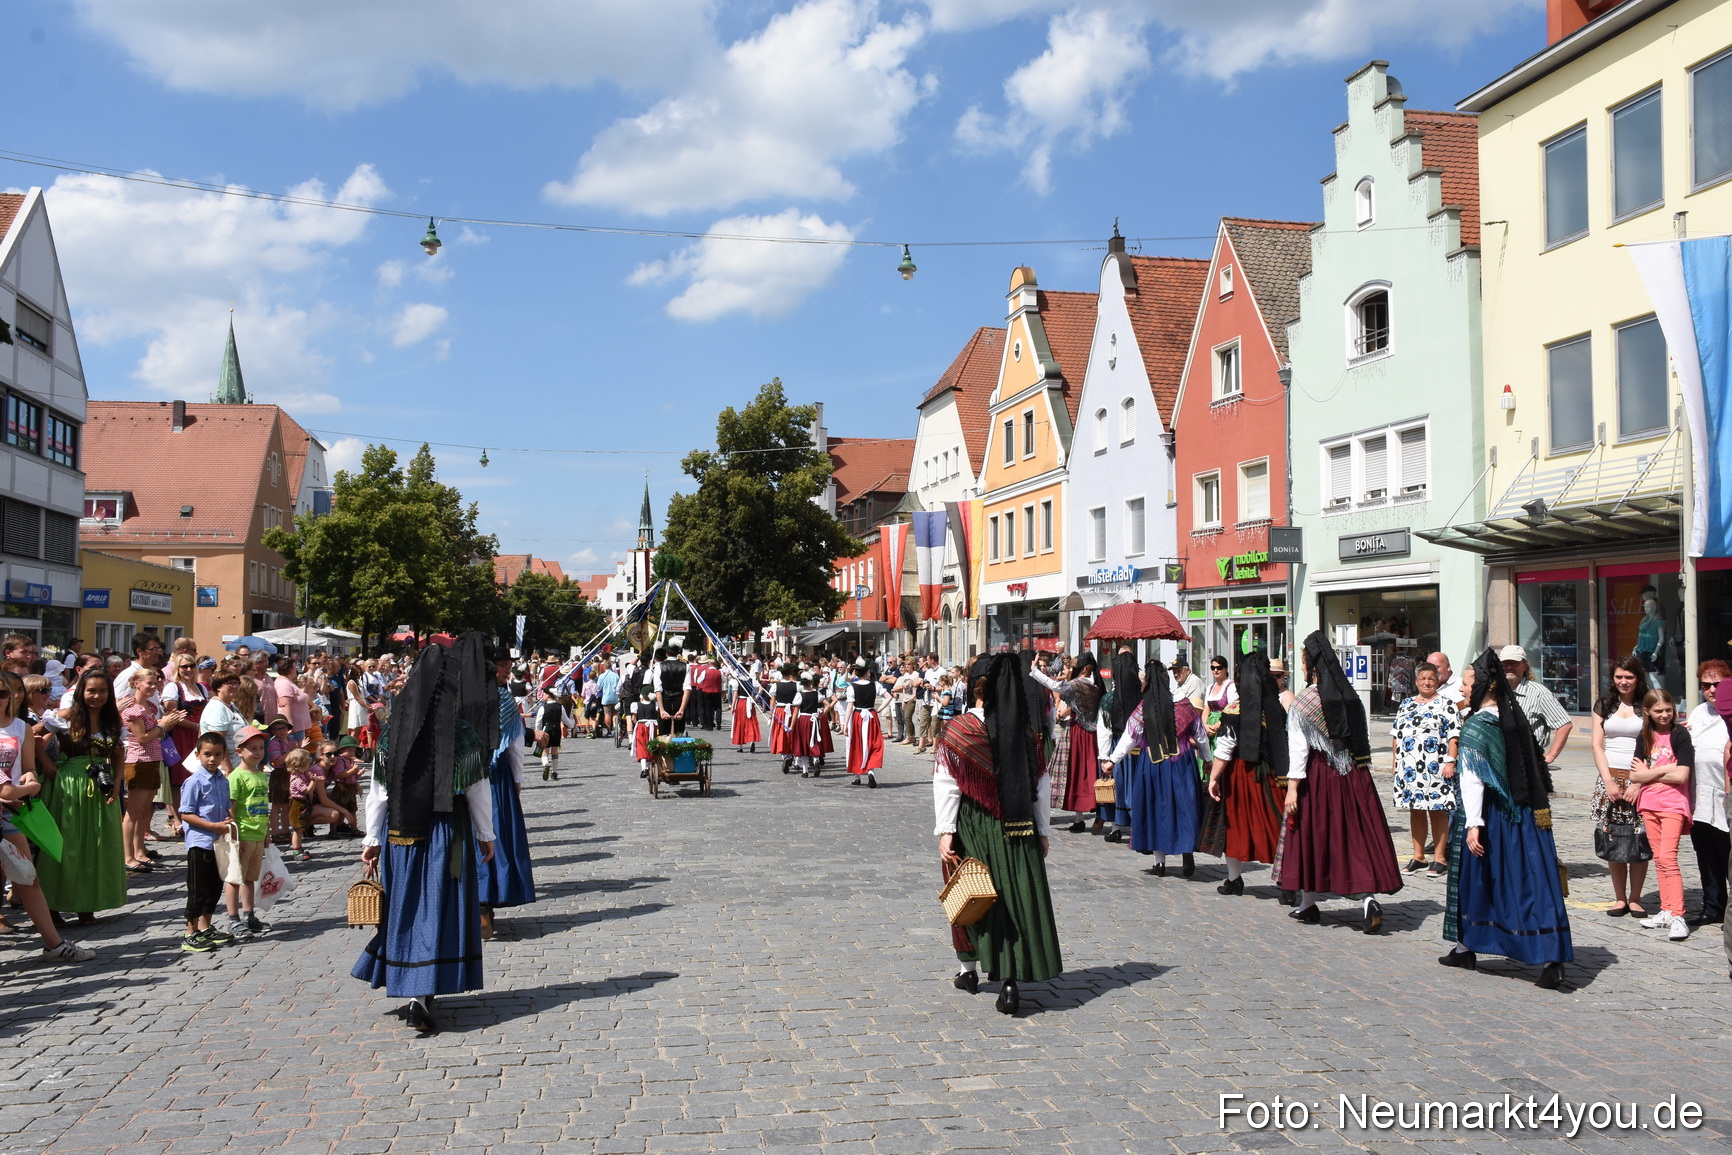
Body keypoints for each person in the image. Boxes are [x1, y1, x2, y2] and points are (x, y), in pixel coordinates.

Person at [353, 632, 498, 1035]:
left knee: (407, 906)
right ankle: (423, 991)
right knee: (437, 906)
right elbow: (477, 790)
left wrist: (372, 840)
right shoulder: (462, 732)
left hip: (401, 835)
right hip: (445, 833)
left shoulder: (393, 734)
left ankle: (410, 983)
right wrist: (487, 834)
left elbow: (377, 794)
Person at [933, 654, 1061, 1015]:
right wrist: (1043, 830)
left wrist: (946, 831)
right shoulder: (1023, 733)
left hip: (976, 823)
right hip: (1019, 825)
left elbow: (946, 785)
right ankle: (1009, 981)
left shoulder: (959, 729)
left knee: (973, 894)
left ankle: (968, 970)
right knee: (1014, 895)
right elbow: (1040, 782)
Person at [1438, 649, 1571, 988]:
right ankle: (1549, 955)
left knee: (1482, 879)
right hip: (1528, 816)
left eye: (1467, 685)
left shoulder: (1477, 727)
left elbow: (1472, 780)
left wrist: (1474, 824)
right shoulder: (1513, 717)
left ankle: (1467, 947)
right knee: (1533, 881)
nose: (1462, 691)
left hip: (1496, 814)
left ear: (1484, 687)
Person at [1279, 633, 1404, 932]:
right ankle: (1366, 899)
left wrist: (1293, 788)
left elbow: (1299, 749)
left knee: (1315, 836)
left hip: (1320, 775)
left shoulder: (1304, 703)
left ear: (1310, 666)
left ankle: (1308, 903)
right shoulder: (1351, 697)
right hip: (1354, 776)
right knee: (1356, 835)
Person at [1100, 658, 1207, 876]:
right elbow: (1200, 734)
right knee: (1184, 807)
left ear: (1147, 683)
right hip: (1182, 764)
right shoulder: (1184, 704)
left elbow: (1129, 737)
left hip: (1153, 765)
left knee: (1157, 809)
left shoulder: (1143, 709)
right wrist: (1207, 758)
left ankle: (1160, 862)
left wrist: (1112, 760)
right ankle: (1187, 853)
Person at [37, 669, 126, 924]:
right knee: (67, 846)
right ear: (81, 692)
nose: (96, 696)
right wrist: (48, 762)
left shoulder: (112, 721)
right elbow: (28, 734)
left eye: (102, 691)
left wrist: (118, 782)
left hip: (101, 787)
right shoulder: (66, 715)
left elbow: (118, 753)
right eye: (91, 690)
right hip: (69, 788)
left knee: (96, 847)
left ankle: (87, 905)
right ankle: (53, 907)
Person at [1204, 650, 1288, 896]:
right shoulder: (1275, 705)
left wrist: (1214, 777)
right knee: (1275, 825)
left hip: (1241, 774)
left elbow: (1226, 748)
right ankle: (1286, 880)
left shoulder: (1235, 708)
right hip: (1273, 773)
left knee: (1235, 825)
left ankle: (1234, 878)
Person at [477, 652, 535, 940]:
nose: (507, 674)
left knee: (480, 835)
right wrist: (518, 778)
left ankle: (482, 903)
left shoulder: (461, 696)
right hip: (493, 775)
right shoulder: (503, 701)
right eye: (503, 668)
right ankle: (486, 902)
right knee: (495, 834)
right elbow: (514, 744)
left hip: (470, 774)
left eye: (509, 669)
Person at [1630, 690, 1694, 941]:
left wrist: (1652, 772)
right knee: (1658, 858)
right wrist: (1666, 768)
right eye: (1659, 711)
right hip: (1649, 803)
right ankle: (1666, 909)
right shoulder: (1644, 737)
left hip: (1673, 804)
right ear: (1647, 712)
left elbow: (1681, 776)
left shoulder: (1680, 734)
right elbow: (1635, 776)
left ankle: (1679, 914)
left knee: (1669, 858)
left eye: (1669, 709)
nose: (1665, 714)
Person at [1592, 656, 1650, 918]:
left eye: (1629, 677)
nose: (1624, 682)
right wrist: (1607, 781)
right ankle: (1619, 898)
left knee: (1639, 838)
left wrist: (1640, 782)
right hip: (1610, 776)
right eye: (1619, 677)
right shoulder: (1604, 705)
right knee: (1612, 837)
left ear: (1638, 678)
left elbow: (1653, 744)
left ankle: (1636, 898)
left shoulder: (1648, 704)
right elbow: (1597, 744)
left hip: (1640, 777)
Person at [1389, 661, 1459, 879]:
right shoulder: (1407, 704)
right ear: (1416, 682)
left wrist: (1451, 761)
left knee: (1438, 810)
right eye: (1423, 679)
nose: (1427, 682)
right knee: (1415, 810)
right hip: (1409, 767)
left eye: (1431, 678)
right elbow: (1396, 734)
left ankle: (1439, 858)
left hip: (1436, 766)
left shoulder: (1447, 704)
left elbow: (1453, 736)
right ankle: (1419, 856)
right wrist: (1395, 762)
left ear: (1437, 680)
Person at [120, 668, 185, 874]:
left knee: (145, 811)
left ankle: (140, 852)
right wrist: (164, 725)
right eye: (149, 683)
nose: (153, 687)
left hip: (153, 760)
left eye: (156, 683)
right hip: (139, 761)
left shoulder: (148, 706)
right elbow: (142, 738)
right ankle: (127, 855)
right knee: (133, 812)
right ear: (136, 683)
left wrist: (165, 722)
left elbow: (153, 731)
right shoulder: (133, 708)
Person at [178, 733, 237, 953]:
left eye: (217, 755)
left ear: (224, 755)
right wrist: (214, 827)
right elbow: (186, 814)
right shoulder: (194, 781)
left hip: (218, 842)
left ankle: (206, 926)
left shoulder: (222, 780)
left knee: (214, 886)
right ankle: (190, 932)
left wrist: (229, 820)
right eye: (207, 754)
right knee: (198, 889)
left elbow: (224, 807)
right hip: (200, 842)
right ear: (197, 755)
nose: (212, 759)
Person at [1687, 661, 1730, 926]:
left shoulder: (1730, 712)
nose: (1712, 689)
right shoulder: (1699, 713)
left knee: (1728, 857)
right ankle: (1712, 906)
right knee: (1707, 856)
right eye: (1706, 685)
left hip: (1725, 797)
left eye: (1718, 683)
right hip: (1699, 797)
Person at [1040, 653, 1103, 834]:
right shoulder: (1096, 685)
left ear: (1082, 669)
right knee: (1091, 772)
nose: (1069, 670)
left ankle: (1079, 818)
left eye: (1072, 667)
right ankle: (1098, 812)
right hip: (1094, 733)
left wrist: (1034, 672)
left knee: (1075, 772)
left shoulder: (1076, 685)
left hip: (1077, 731)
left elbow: (1053, 686)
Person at [220, 726, 272, 939]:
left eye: (260, 748)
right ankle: (233, 919)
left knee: (250, 878)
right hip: (242, 833)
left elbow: (262, 805)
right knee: (235, 878)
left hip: (258, 833)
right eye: (252, 748)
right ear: (239, 751)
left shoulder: (260, 775)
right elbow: (230, 807)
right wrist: (234, 834)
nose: (258, 752)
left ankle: (249, 915)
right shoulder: (237, 776)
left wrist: (267, 832)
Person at [1501, 646, 1573, 769]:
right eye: (1505, 663)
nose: (1509, 667)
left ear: (1525, 666)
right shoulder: (1493, 692)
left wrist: (1551, 755)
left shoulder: (1539, 693)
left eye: (1514, 663)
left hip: (1528, 765)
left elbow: (1564, 724)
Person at [1096, 647, 1140, 842]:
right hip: (1139, 748)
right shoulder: (1142, 696)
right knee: (1134, 788)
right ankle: (1137, 828)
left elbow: (1104, 730)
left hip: (1117, 746)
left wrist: (1105, 756)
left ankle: (1115, 828)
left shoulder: (1108, 700)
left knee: (1119, 788)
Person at [843, 659, 883, 788]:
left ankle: (857, 777)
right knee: (872, 743)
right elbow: (888, 697)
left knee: (857, 744)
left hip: (858, 717)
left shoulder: (851, 687)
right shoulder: (875, 685)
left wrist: (845, 724)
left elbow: (849, 707)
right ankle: (871, 771)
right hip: (871, 716)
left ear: (856, 673)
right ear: (867, 672)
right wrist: (879, 709)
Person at [199, 673, 249, 767]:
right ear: (218, 687)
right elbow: (217, 743)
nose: (235, 686)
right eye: (230, 683)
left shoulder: (230, 705)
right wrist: (228, 770)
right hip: (224, 767)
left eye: (236, 683)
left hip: (237, 762)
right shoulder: (217, 708)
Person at [790, 675, 827, 779]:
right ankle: (816, 760)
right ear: (810, 682)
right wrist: (821, 715)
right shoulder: (817, 693)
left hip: (803, 720)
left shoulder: (800, 694)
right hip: (814, 720)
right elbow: (828, 705)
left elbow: (796, 711)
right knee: (814, 740)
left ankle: (805, 771)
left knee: (803, 743)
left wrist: (792, 726)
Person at [655, 645, 691, 737]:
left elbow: (658, 690)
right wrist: (682, 709)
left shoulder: (659, 666)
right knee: (679, 734)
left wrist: (661, 709)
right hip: (679, 700)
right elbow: (687, 690)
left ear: (666, 654)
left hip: (665, 700)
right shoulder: (686, 666)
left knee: (663, 734)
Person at [770, 663, 798, 771]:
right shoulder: (797, 685)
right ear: (790, 673)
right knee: (793, 732)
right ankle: (792, 755)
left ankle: (785, 756)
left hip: (780, 711)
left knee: (781, 733)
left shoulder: (776, 685)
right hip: (793, 710)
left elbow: (772, 702)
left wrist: (771, 714)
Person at [534, 686, 564, 782]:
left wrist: (537, 731)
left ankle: (546, 764)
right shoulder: (560, 707)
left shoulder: (543, 708)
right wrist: (572, 725)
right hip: (557, 731)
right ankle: (554, 772)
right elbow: (566, 719)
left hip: (546, 731)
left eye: (544, 693)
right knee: (554, 751)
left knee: (545, 751)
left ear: (548, 695)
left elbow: (538, 721)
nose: (542, 695)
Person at [729, 667, 761, 754]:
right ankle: (752, 741)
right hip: (750, 702)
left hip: (741, 702)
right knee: (751, 721)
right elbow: (760, 689)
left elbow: (735, 695)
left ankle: (741, 746)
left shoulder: (737, 681)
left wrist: (732, 706)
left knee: (740, 722)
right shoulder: (751, 679)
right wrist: (755, 698)